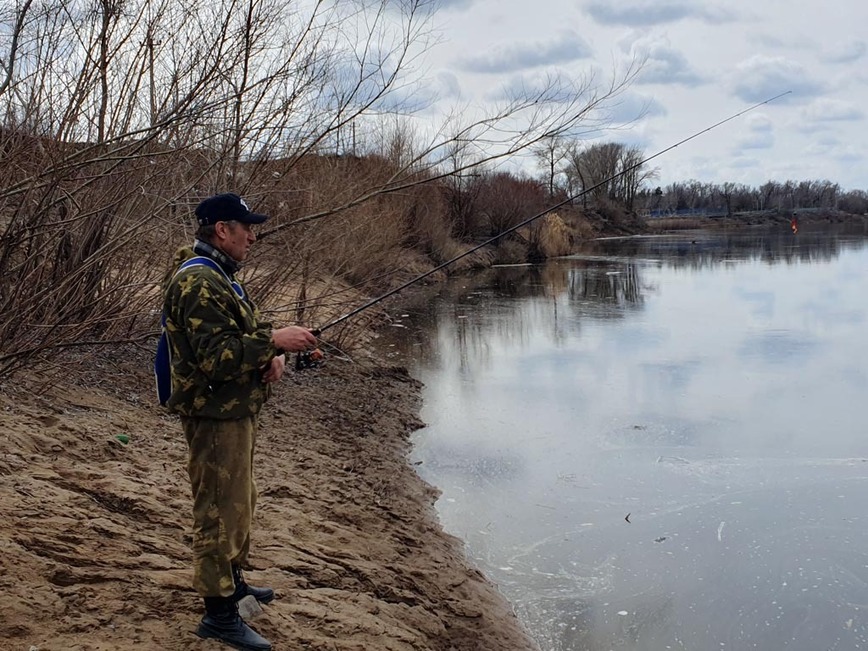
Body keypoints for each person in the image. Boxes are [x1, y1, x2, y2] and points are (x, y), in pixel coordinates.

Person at [161, 192, 318, 651]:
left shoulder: (222, 277)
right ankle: (218, 615)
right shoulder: (199, 282)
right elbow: (215, 357)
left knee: (239, 502)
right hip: (213, 415)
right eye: (246, 226)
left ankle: (234, 584)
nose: (253, 234)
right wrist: (272, 340)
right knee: (216, 510)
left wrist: (273, 354)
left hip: (233, 410)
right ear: (221, 229)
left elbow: (238, 336)